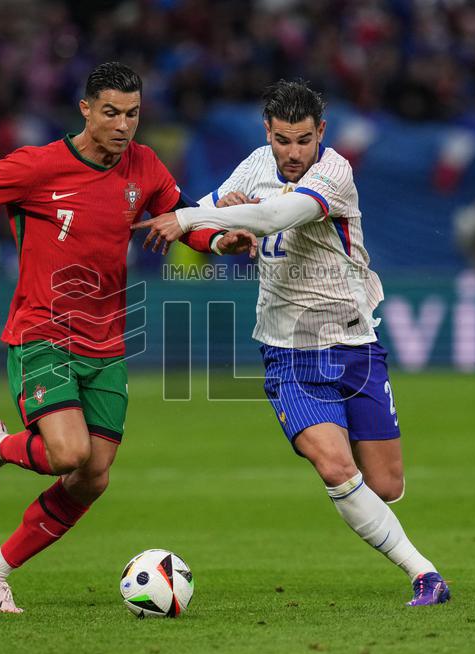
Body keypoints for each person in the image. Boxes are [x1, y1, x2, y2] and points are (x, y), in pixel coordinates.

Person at [0, 62, 253, 614]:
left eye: (133, 114)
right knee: (67, 453)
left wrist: (223, 240)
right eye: (111, 112)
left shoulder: (146, 165)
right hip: (42, 333)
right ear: (85, 109)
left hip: (107, 342)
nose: (123, 125)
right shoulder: (36, 167)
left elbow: (184, 222)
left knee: (92, 477)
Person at [134, 79, 451, 606]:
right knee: (335, 468)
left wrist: (196, 217)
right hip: (288, 352)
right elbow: (213, 214)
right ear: (268, 132)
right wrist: (217, 234)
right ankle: (426, 576)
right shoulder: (256, 164)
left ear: (320, 132)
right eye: (283, 140)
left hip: (353, 343)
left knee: (387, 485)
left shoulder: (336, 171)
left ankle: (349, 462)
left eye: (304, 139)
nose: (293, 152)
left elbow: (274, 215)